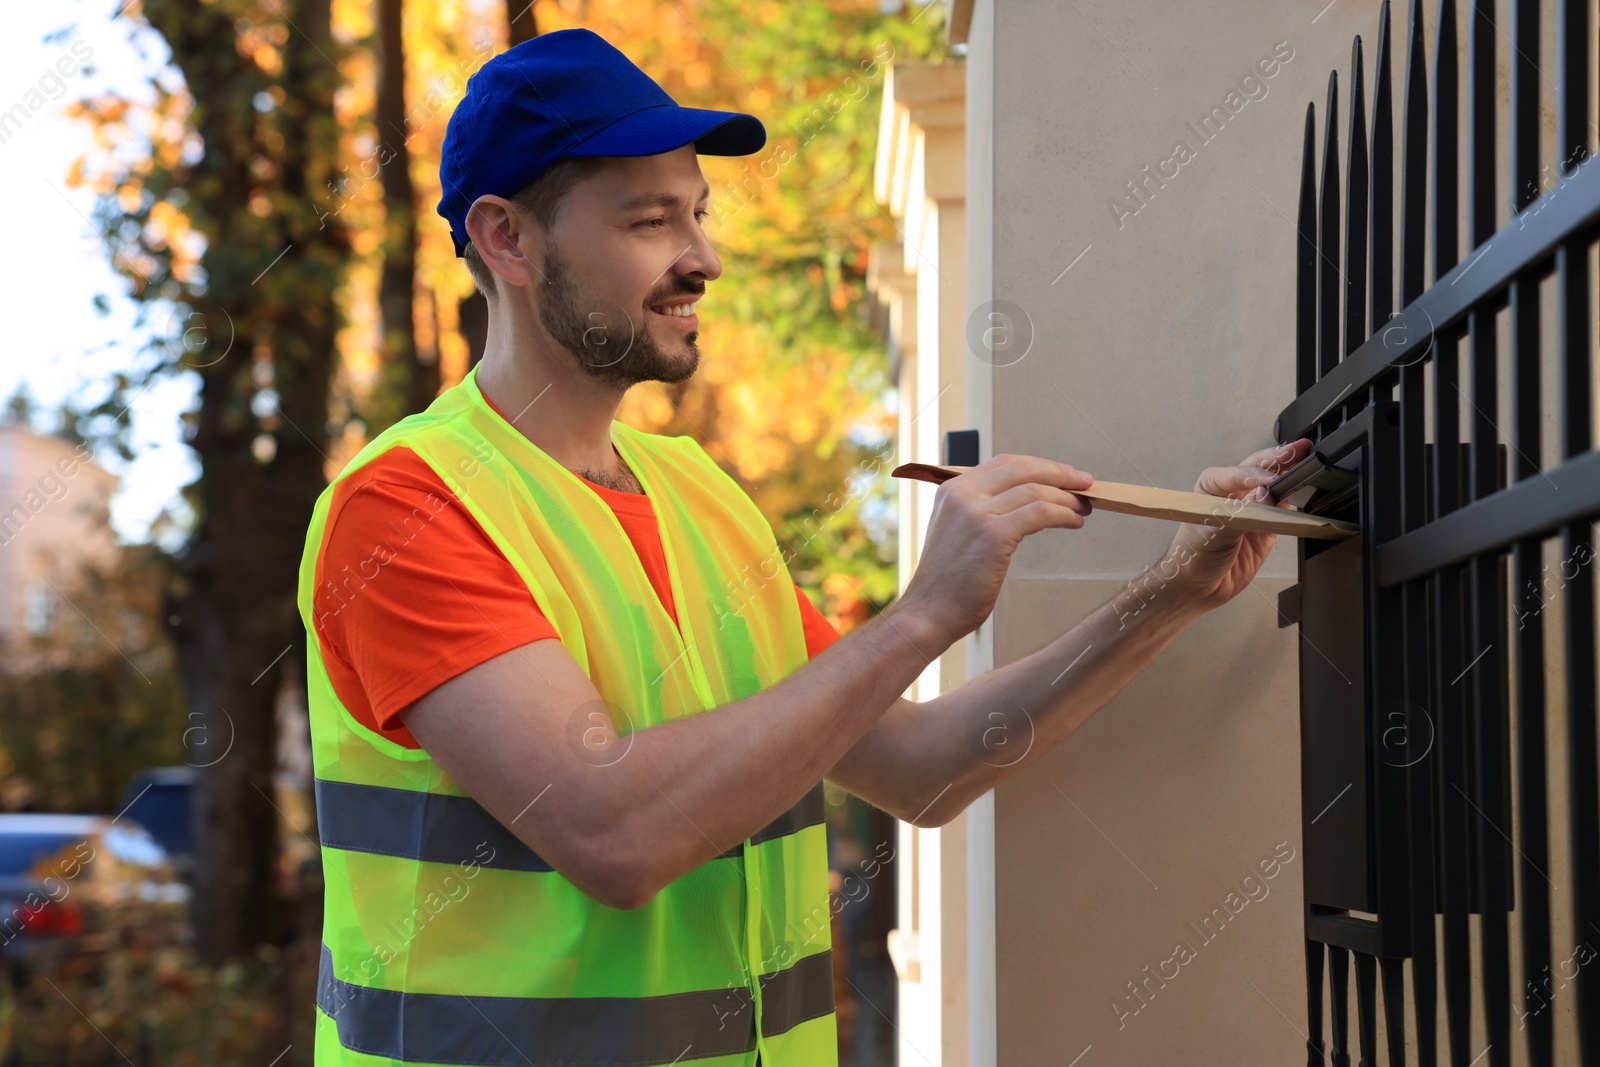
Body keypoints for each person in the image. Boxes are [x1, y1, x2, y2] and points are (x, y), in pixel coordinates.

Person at [298, 26, 1313, 1067]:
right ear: (507, 240)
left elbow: (922, 766)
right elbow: (613, 833)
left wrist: (1172, 593)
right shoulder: (407, 510)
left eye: (696, 213)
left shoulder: (703, 500)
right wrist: (922, 614)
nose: (703, 257)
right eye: (650, 221)